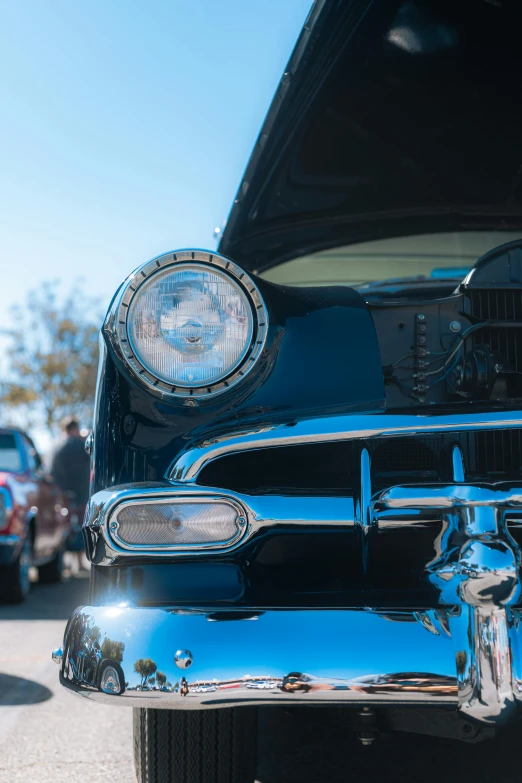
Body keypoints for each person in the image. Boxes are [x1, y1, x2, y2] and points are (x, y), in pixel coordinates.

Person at [50, 417, 90, 506]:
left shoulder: (56, 446)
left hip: (61, 492)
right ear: (75, 429)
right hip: (81, 493)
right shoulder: (81, 444)